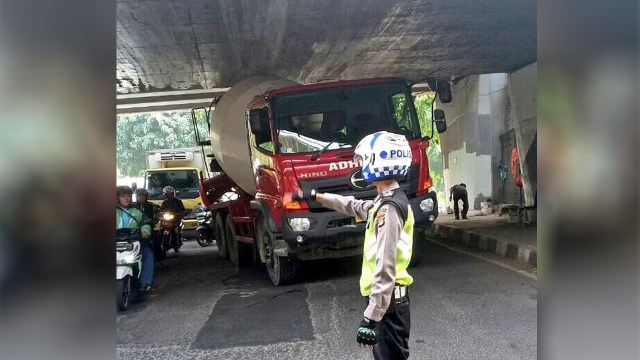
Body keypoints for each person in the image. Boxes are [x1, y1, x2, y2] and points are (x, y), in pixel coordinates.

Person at [292, 131, 414, 359]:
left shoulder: (389, 209)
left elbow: (385, 265)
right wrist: (316, 195)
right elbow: (354, 206)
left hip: (387, 305)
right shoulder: (388, 201)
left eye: (363, 159)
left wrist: (371, 317)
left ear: (376, 160)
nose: (360, 165)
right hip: (389, 302)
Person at [116, 185, 154, 291]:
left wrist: (145, 231)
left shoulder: (137, 210)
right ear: (117, 198)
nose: (126, 198)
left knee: (147, 254)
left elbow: (145, 223)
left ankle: (145, 282)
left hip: (134, 239)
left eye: (128, 196)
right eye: (123, 196)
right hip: (116, 240)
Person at [134, 188, 165, 266]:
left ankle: (159, 261)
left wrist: (158, 217)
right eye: (139, 196)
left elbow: (159, 213)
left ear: (146, 196)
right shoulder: (132, 206)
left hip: (150, 228)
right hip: (134, 230)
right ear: (136, 196)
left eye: (143, 196)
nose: (141, 197)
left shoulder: (152, 206)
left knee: (156, 241)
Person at [159, 186, 187, 251]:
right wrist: (160, 213)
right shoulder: (164, 202)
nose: (169, 195)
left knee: (176, 231)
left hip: (176, 219)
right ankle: (161, 242)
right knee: (160, 229)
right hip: (167, 219)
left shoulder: (178, 201)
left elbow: (182, 209)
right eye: (168, 194)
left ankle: (178, 242)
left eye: (171, 193)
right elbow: (161, 210)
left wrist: (180, 213)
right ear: (165, 194)